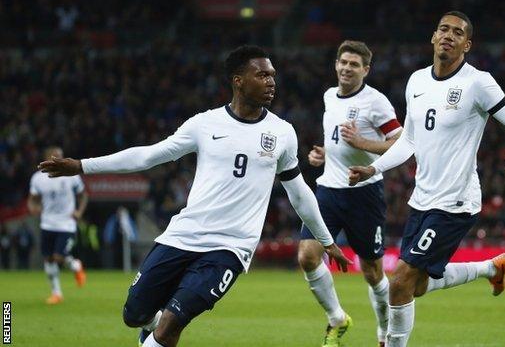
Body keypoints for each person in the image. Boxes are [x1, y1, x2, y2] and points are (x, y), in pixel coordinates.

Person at [39, 45, 352, 347]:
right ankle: (152, 326)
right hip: (183, 236)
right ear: (238, 81)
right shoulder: (204, 124)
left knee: (172, 324)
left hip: (230, 247)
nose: (271, 82)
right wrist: (82, 166)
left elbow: (298, 192)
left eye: (272, 75)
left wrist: (326, 241)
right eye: (262, 75)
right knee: (134, 314)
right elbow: (148, 157)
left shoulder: (282, 132)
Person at [348, 11, 505, 347]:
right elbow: (408, 141)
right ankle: (490, 269)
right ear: (433, 38)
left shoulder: (478, 82)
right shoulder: (417, 81)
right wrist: (374, 168)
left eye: (457, 32)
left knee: (400, 282)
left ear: (467, 44)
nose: (448, 35)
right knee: (417, 286)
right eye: (443, 29)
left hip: (456, 201)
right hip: (422, 199)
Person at [299, 40, 402, 347]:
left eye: (354, 64)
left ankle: (384, 332)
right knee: (307, 256)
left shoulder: (377, 102)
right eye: (343, 62)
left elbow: (402, 142)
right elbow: (336, 142)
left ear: (366, 70)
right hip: (328, 191)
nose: (346, 67)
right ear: (336, 64)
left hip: (364, 194)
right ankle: (337, 318)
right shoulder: (329, 96)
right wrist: (323, 155)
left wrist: (363, 145)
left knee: (372, 272)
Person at [28, 146, 88, 304]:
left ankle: (75, 265)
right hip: (47, 224)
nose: (59, 159)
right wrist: (33, 207)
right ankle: (57, 293)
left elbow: (83, 196)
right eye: (56, 157)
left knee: (58, 257)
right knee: (48, 259)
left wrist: (79, 212)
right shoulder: (37, 178)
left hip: (66, 224)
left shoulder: (72, 176)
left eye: (61, 156)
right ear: (47, 158)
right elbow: (32, 198)